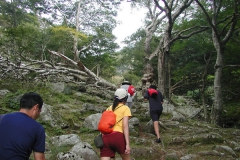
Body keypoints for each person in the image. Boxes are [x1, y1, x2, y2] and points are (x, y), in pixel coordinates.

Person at [0, 92, 46, 160]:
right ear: (36, 107)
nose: (38, 115)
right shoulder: (38, 128)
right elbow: (39, 158)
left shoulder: (1, 118)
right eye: (39, 111)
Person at [100, 88, 132, 160]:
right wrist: (127, 144)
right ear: (125, 99)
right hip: (118, 137)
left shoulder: (109, 108)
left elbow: (104, 123)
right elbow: (125, 126)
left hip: (106, 137)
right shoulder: (125, 108)